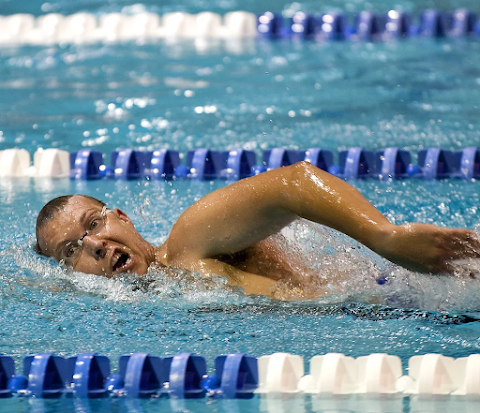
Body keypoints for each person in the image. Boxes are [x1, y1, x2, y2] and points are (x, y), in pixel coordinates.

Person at [34, 161, 480, 300]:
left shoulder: (189, 240)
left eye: (94, 224)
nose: (94, 244)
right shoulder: (166, 295)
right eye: (71, 251)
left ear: (123, 218)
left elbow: (295, 182)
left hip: (413, 296)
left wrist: (387, 238)